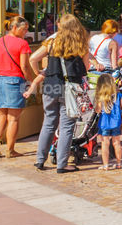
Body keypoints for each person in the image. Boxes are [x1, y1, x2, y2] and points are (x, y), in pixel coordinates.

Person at [31, 14, 89, 173]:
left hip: (51, 86)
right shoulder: (81, 44)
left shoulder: (51, 42)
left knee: (48, 122)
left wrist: (41, 72)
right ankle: (62, 164)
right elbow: (86, 68)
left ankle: (40, 160)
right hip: (70, 87)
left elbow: (33, 58)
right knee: (66, 126)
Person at [0, 16, 35, 158]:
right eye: (24, 29)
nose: (25, 33)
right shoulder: (22, 44)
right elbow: (24, 66)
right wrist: (31, 81)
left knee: (2, 115)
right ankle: (10, 150)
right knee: (14, 118)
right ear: (15, 27)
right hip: (14, 81)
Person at [94, 73, 122, 170]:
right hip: (116, 122)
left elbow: (98, 110)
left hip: (104, 123)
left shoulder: (101, 96)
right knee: (117, 143)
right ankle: (119, 163)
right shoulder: (118, 95)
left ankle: (106, 165)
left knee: (105, 143)